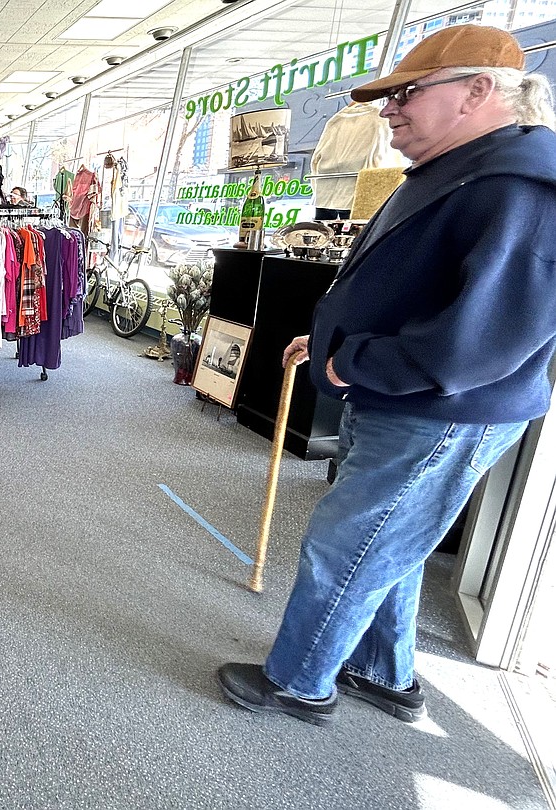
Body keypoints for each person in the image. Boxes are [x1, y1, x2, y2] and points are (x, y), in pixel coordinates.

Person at [217, 25, 556, 726]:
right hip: (410, 401)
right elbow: (420, 287)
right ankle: (383, 671)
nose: (390, 109)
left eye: (407, 93)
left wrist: (352, 359)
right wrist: (335, 337)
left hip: (439, 409)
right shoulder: (469, 168)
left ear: (478, 91)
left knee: (350, 542)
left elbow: (475, 346)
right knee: (389, 541)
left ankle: (299, 683)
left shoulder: (522, 187)